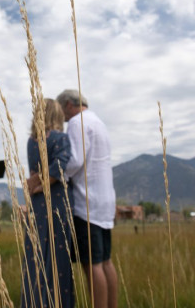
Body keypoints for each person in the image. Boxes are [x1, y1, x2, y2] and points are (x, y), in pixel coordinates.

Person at [57, 89, 118, 308]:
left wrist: (53, 175)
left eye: (61, 109)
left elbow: (75, 160)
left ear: (68, 105)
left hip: (87, 203)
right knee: (106, 261)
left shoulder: (76, 122)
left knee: (91, 263)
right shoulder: (98, 122)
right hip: (104, 202)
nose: (61, 115)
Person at [21, 98, 75, 308]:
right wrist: (43, 184)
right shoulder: (61, 138)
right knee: (57, 254)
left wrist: (35, 185)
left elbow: (34, 173)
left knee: (35, 254)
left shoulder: (31, 141)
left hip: (36, 202)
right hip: (57, 200)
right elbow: (60, 165)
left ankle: (34, 302)